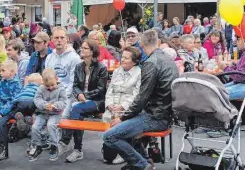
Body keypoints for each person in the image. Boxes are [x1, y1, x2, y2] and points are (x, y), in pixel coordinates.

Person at [103, 30, 179, 170]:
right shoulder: (168, 59)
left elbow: (142, 98)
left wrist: (124, 117)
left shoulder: (151, 63)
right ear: (158, 42)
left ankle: (142, 165)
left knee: (109, 136)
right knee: (127, 131)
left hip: (155, 116)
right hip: (165, 114)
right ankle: (143, 161)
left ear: (142, 44)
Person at [59, 40, 108, 163]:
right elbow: (75, 85)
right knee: (77, 113)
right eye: (82, 47)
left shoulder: (101, 68)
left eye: (85, 48)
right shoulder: (79, 66)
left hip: (98, 101)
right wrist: (79, 94)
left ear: (92, 52)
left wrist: (84, 95)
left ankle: (65, 141)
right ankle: (77, 150)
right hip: (82, 101)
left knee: (75, 109)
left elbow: (101, 89)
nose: (82, 50)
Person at [28, 68, 68, 162]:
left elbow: (64, 102)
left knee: (51, 125)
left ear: (56, 79)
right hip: (43, 113)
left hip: (55, 114)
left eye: (52, 85)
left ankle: (54, 145)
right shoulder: (41, 88)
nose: (50, 87)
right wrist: (44, 105)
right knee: (35, 127)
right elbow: (37, 99)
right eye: (47, 86)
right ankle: (37, 146)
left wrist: (55, 106)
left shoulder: (61, 89)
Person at [45, 27, 81, 118]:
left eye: (62, 37)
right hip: (51, 94)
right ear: (52, 39)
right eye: (56, 38)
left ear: (67, 39)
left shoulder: (75, 58)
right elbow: (46, 80)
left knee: (61, 116)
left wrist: (60, 96)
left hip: (67, 96)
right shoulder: (49, 57)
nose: (59, 40)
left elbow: (73, 83)